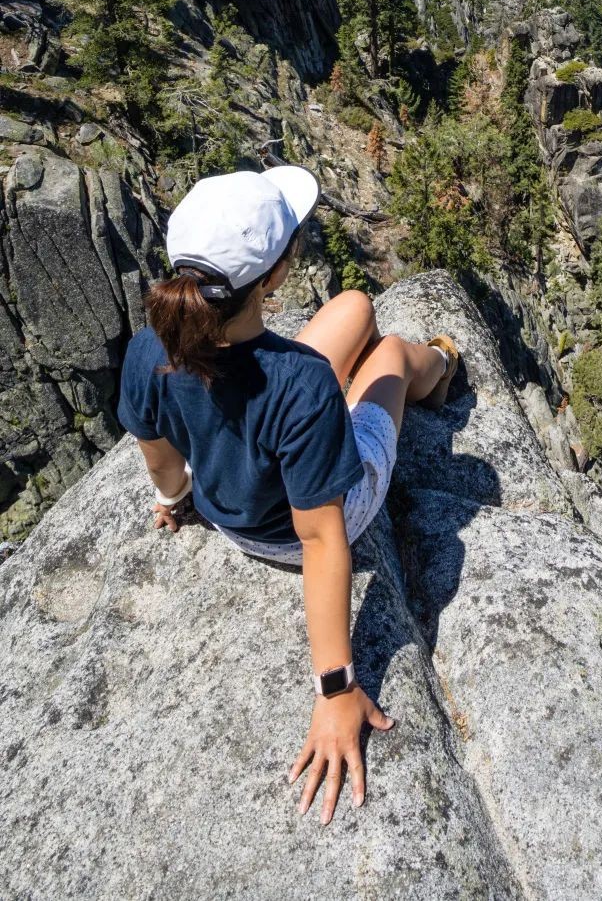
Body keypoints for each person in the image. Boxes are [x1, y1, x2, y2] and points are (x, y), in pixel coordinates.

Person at [116, 164, 458, 826]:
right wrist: (336, 688)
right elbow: (322, 537)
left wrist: (179, 496)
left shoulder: (147, 351)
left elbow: (157, 454)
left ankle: (425, 365)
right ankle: (441, 368)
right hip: (299, 523)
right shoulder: (299, 384)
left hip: (223, 505)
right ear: (272, 277)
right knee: (386, 350)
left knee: (354, 306)